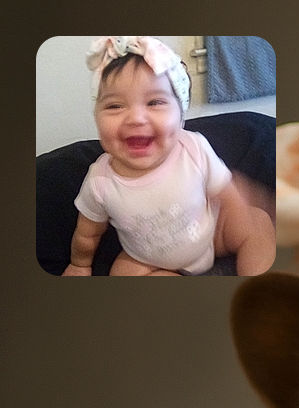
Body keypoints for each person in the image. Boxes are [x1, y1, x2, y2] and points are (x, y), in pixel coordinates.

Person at [63, 36, 275, 277]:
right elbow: (87, 233)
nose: (136, 118)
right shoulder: (100, 182)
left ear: (181, 117)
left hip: (211, 236)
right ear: (97, 119)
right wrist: (79, 264)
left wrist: (242, 219)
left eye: (154, 102)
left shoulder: (193, 147)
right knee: (123, 272)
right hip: (149, 260)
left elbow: (227, 194)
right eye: (114, 106)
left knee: (258, 221)